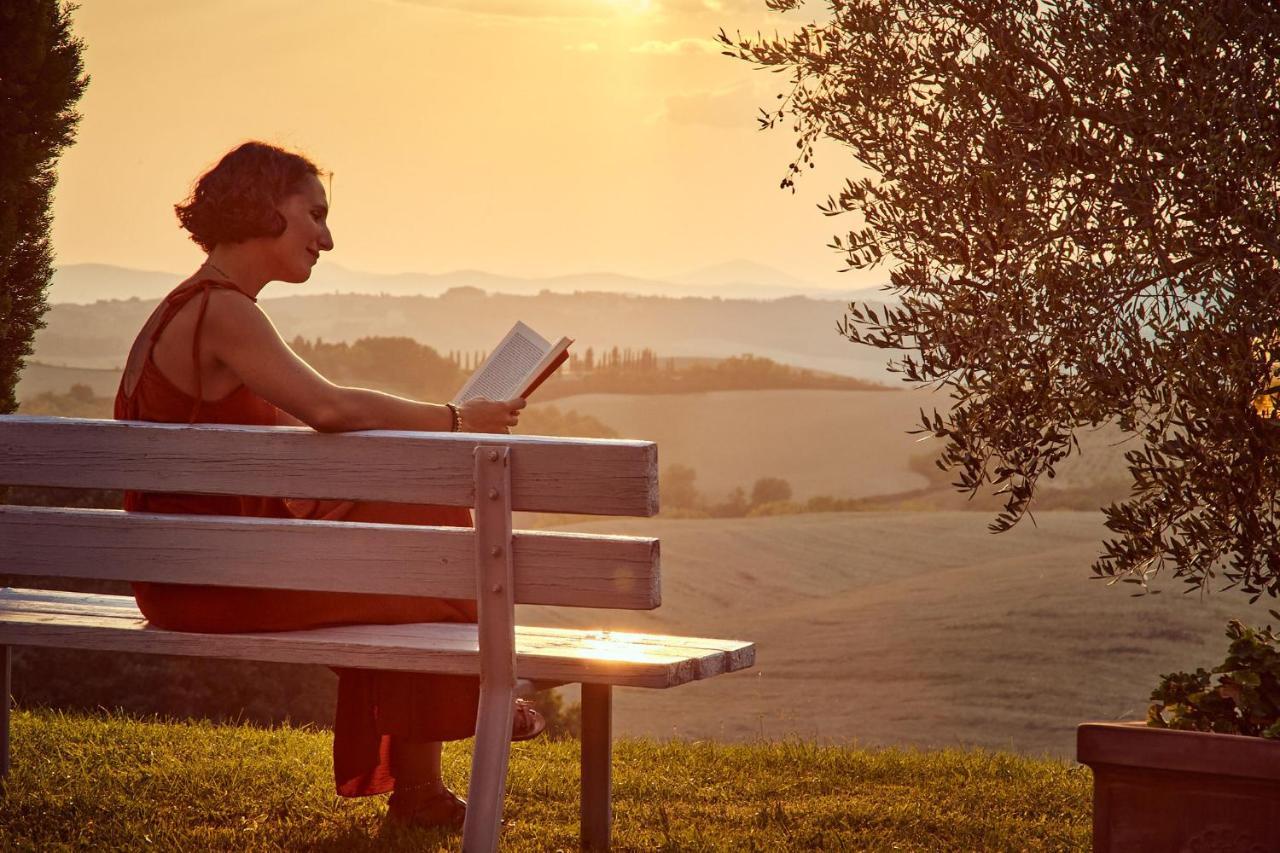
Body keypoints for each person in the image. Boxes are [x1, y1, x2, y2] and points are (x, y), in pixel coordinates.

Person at [113, 140, 541, 830]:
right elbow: (331, 409)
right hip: (206, 584)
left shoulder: (190, 309)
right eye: (314, 214)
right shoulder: (221, 311)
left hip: (195, 568)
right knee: (435, 575)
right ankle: (468, 717)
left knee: (419, 519)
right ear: (263, 205)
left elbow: (303, 429)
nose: (328, 237)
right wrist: (459, 418)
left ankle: (427, 777)